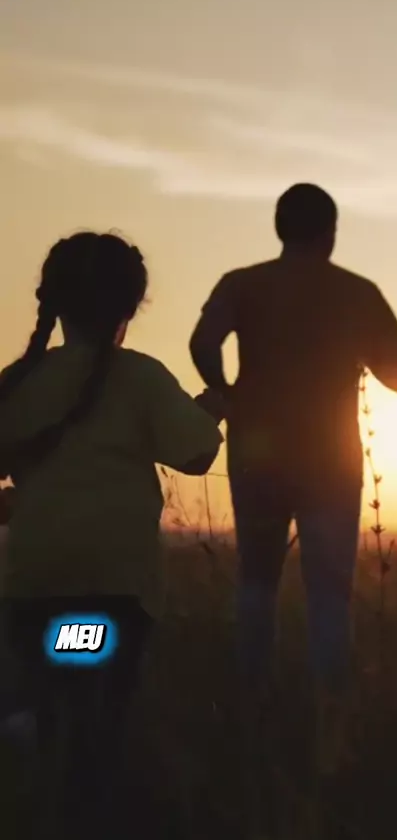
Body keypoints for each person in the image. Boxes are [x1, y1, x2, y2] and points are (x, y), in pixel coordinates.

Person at [0, 231, 223, 836]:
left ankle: (38, 769)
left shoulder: (19, 381)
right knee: (94, 722)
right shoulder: (142, 379)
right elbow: (198, 454)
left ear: (54, 302)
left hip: (33, 584)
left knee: (54, 701)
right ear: (129, 308)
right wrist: (210, 411)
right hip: (110, 590)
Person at [189, 183, 397, 776]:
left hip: (257, 451)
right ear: (331, 233)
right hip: (331, 459)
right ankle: (329, 720)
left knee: (256, 580)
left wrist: (227, 392)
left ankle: (249, 707)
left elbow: (201, 342)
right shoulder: (358, 292)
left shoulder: (242, 283)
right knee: (329, 593)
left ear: (278, 227)